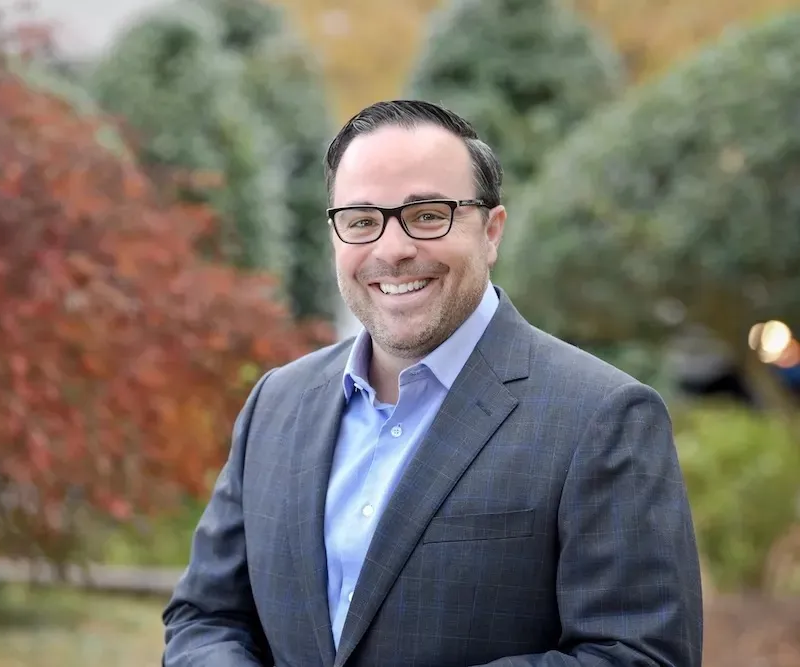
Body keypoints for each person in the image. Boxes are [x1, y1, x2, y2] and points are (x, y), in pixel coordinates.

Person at [161, 100, 703, 667]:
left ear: (491, 232)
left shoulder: (603, 417)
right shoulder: (277, 403)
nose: (392, 249)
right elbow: (207, 616)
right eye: (362, 220)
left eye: (427, 215)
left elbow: (638, 655)